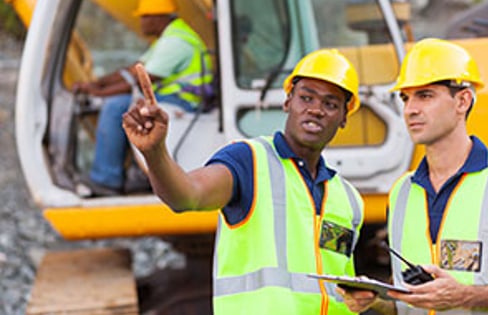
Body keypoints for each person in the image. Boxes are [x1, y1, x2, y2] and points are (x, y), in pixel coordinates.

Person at [123, 49, 365, 314]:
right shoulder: (248, 161)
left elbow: (342, 290)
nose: (316, 110)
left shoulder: (349, 199)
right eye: (306, 97)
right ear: (288, 103)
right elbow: (187, 195)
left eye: (330, 104)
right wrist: (155, 151)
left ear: (344, 117)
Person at [340, 38, 488, 314]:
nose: (411, 110)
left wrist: (466, 296)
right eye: (406, 98)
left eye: (425, 95)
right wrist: (378, 300)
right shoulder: (401, 194)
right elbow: (415, 302)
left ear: (463, 101)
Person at [74, 0, 213, 196]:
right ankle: (130, 172)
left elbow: (141, 80)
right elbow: (132, 70)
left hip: (184, 102)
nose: (141, 23)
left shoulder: (176, 42)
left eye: (145, 17)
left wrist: (100, 94)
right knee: (121, 102)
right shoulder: (169, 37)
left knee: (116, 107)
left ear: (159, 18)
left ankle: (106, 180)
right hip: (171, 97)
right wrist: (96, 84)